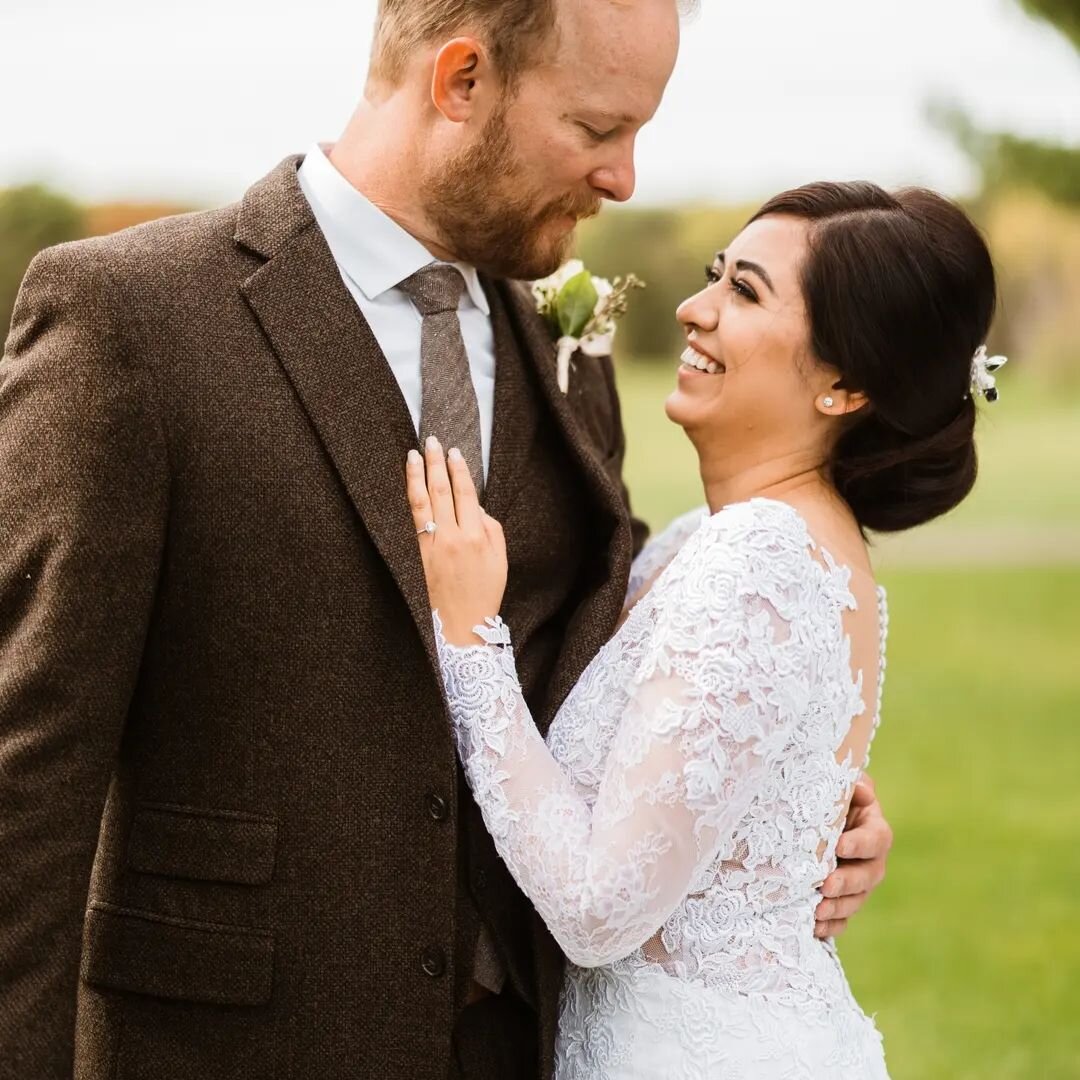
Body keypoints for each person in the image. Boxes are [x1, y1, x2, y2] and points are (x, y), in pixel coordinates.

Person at [0, 3, 893, 1078]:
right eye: (599, 130)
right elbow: (24, 773)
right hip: (237, 1044)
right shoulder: (130, 320)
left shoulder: (567, 344)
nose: (625, 180)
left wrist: (781, 795)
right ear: (462, 80)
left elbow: (609, 634)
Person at [406, 181, 1001, 1078]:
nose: (694, 308)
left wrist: (467, 637)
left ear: (844, 385)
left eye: (746, 292)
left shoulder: (762, 560)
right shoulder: (716, 543)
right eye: (716, 274)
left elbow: (600, 909)